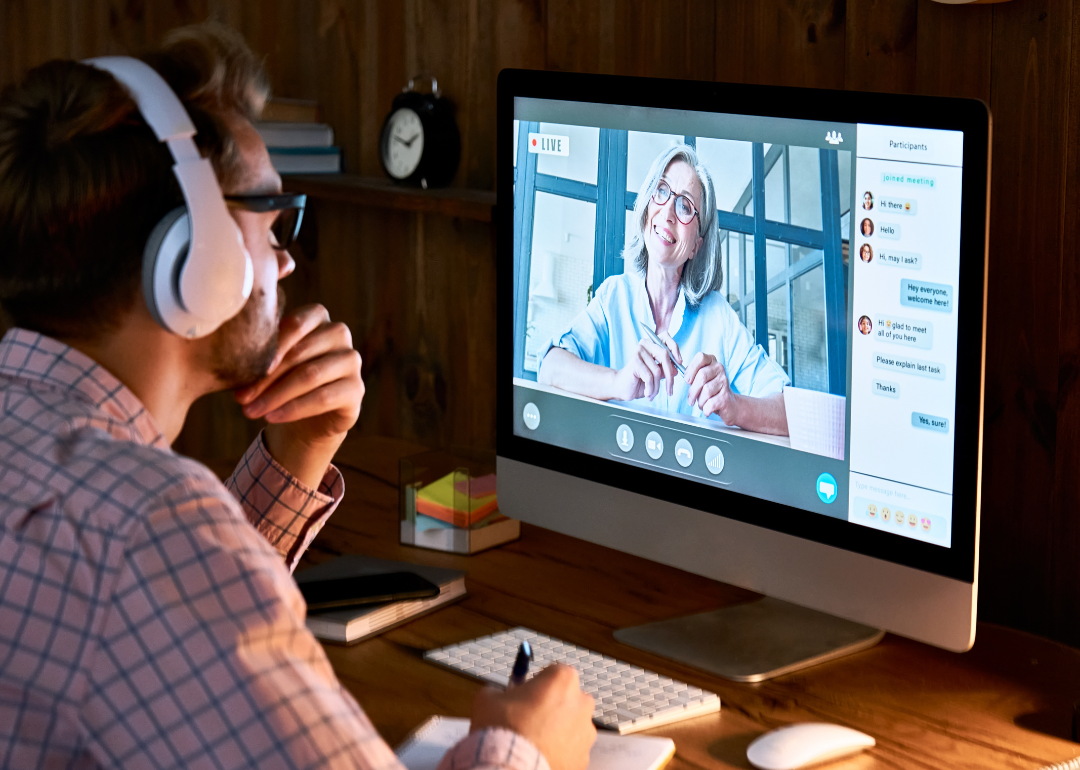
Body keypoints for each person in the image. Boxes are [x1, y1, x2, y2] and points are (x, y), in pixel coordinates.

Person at [0, 24, 595, 770]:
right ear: (194, 260)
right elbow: (158, 570)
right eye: (270, 218)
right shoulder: (146, 529)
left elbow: (175, 642)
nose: (285, 261)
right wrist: (527, 750)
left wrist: (296, 453)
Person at [538, 145, 789, 435]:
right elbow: (550, 369)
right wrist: (619, 382)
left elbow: (788, 411)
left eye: (685, 206)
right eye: (661, 191)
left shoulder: (719, 317)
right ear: (647, 209)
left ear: (697, 245)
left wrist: (735, 406)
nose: (668, 211)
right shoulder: (613, 297)